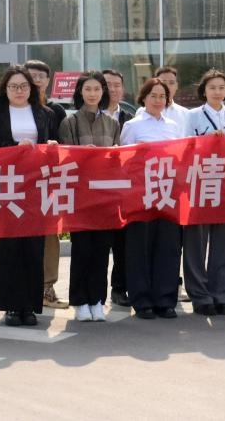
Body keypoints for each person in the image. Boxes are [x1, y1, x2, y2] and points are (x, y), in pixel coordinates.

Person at [0, 65, 56, 327]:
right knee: (11, 247)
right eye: (13, 86)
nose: (19, 91)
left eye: (24, 86)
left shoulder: (44, 113)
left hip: (35, 187)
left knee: (34, 247)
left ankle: (30, 306)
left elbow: (51, 144)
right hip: (7, 186)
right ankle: (12, 306)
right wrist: (15, 148)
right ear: (5, 89)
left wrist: (51, 147)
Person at [58, 71, 122, 323]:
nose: (92, 94)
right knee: (82, 249)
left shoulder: (112, 123)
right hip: (80, 195)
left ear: (103, 92)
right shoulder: (70, 122)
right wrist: (83, 154)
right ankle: (80, 301)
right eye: (87, 89)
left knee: (101, 251)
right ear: (80, 92)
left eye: (97, 89)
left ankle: (97, 300)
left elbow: (119, 160)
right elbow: (64, 158)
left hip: (105, 195)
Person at [181, 69, 225, 316]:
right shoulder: (193, 115)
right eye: (212, 88)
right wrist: (208, 140)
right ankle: (199, 295)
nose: (217, 92)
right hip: (201, 181)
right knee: (197, 241)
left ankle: (221, 293)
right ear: (204, 91)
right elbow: (185, 146)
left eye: (221, 88)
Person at [119, 78, 183, 319]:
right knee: (140, 248)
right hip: (140, 195)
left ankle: (165, 300)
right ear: (143, 98)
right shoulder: (133, 126)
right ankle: (142, 300)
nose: (158, 100)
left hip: (167, 194)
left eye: (162, 96)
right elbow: (124, 161)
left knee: (168, 247)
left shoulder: (174, 126)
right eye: (153, 95)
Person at [25, 59, 68, 310]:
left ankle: (47, 287)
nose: (37, 80)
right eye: (32, 75)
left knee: (50, 235)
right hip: (18, 183)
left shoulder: (55, 111)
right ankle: (25, 287)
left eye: (41, 76)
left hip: (48, 181)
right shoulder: (13, 109)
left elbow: (64, 145)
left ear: (48, 81)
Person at [101, 68, 132, 307]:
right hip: (97, 188)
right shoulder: (90, 116)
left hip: (124, 188)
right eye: (107, 84)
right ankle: (95, 293)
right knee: (99, 244)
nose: (112, 89)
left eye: (116, 85)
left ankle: (120, 288)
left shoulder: (131, 118)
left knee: (124, 244)